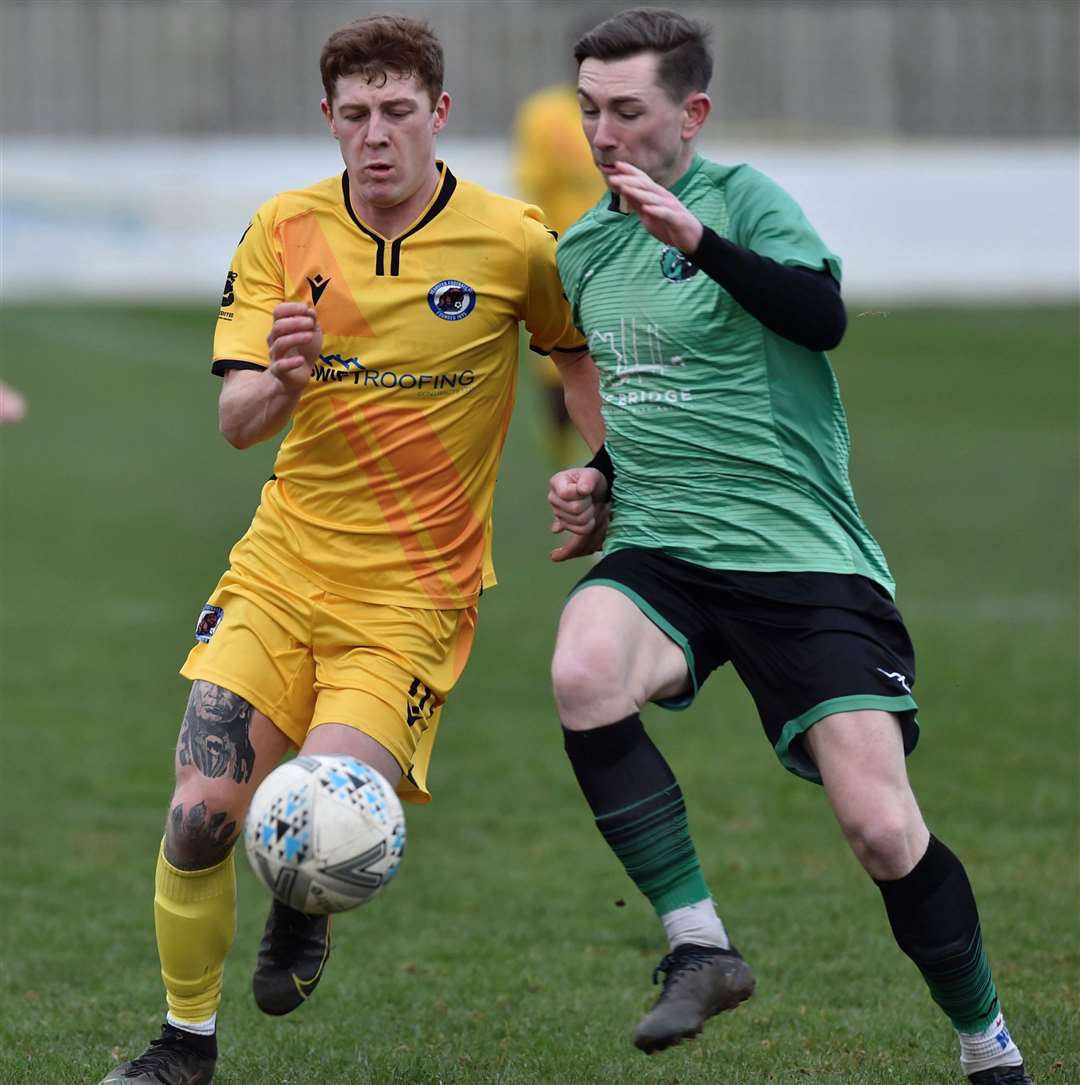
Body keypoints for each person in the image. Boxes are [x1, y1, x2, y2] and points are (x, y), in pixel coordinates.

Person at [99, 14, 599, 1085]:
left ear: (440, 114)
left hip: (411, 598)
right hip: (279, 571)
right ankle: (185, 1045)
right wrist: (282, 375)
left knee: (318, 813)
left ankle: (302, 903)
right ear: (328, 119)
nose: (377, 136)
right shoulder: (284, 227)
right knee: (197, 817)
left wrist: (608, 476)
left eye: (398, 112)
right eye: (356, 115)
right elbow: (236, 422)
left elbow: (577, 357)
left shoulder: (514, 241)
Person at [546, 10, 1034, 1085]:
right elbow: (644, 402)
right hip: (666, 547)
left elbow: (821, 317)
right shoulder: (582, 248)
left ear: (691, 111)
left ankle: (985, 1040)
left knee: (881, 829)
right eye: (590, 110)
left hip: (798, 554)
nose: (605, 132)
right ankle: (699, 943)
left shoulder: (743, 199)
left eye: (628, 109)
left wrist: (700, 246)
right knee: (583, 665)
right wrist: (600, 481)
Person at [512, 52, 606, 468]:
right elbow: (531, 183)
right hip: (561, 255)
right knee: (560, 366)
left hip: (618, 256)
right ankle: (567, 465)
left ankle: (610, 465)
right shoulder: (544, 113)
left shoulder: (631, 113)